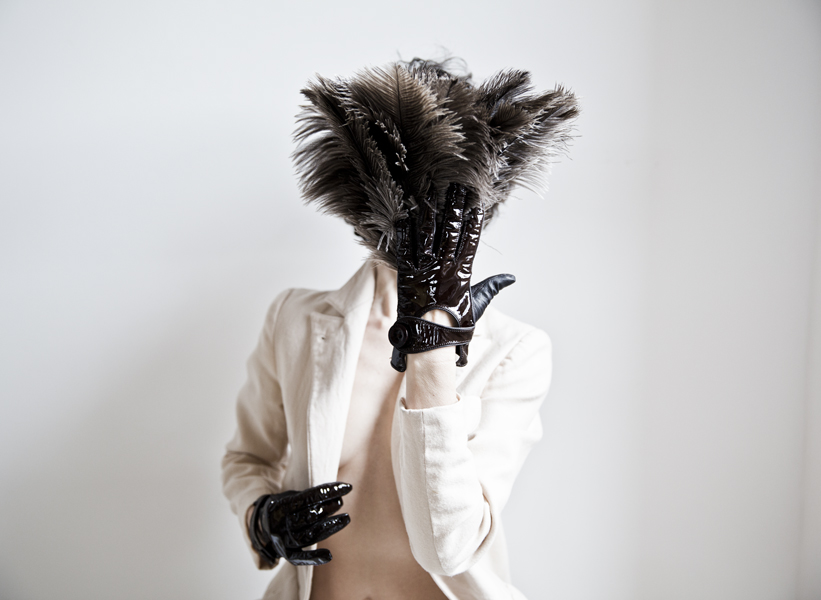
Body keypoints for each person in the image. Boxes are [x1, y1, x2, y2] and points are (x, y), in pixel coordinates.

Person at [221, 58, 578, 600]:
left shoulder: (515, 351)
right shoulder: (294, 319)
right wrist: (262, 518)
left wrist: (434, 346)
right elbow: (247, 458)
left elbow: (449, 549)